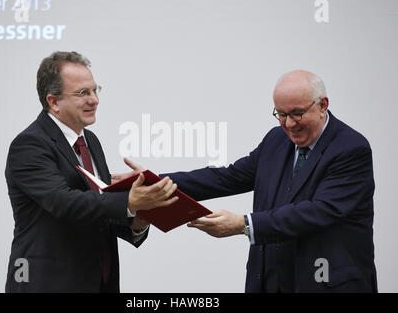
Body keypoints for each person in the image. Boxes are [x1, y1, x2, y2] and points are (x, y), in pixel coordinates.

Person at [114, 70, 377, 292]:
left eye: (297, 113)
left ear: (323, 105)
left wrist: (244, 225)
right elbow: (226, 177)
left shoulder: (351, 149)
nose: (289, 124)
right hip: (270, 281)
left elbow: (318, 211)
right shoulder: (276, 139)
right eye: (280, 114)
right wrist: (153, 182)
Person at [4, 51, 178, 293]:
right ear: (53, 102)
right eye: (83, 93)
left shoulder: (90, 141)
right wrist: (128, 201)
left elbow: (99, 209)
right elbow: (64, 202)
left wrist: (138, 218)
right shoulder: (29, 144)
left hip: (99, 282)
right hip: (49, 284)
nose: (94, 100)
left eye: (95, 90)